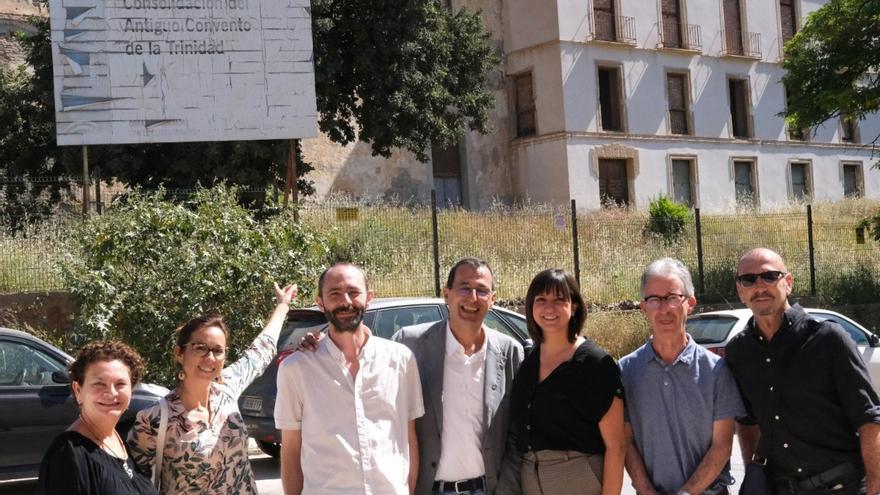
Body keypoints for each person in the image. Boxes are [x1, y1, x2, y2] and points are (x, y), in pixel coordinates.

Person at [725, 248, 880, 495]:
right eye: (749, 279)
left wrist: (875, 487)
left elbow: (869, 419)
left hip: (843, 487)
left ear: (788, 283)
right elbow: (747, 422)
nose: (759, 286)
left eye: (769, 276)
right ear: (740, 291)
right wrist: (755, 476)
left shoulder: (829, 339)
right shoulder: (738, 352)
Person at [128, 282, 297, 494]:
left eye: (218, 350)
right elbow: (133, 483)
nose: (209, 358)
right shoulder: (154, 419)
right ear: (179, 353)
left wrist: (283, 305)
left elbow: (261, 350)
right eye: (200, 348)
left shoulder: (228, 387)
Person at [274, 262, 424, 495]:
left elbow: (410, 439)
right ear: (320, 302)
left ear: (369, 297)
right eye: (335, 293)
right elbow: (291, 449)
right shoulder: (296, 369)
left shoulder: (401, 360)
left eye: (354, 292)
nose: (346, 301)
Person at [392, 257, 525, 495]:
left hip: (488, 489)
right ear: (447, 294)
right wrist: (317, 339)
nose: (472, 297)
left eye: (482, 290)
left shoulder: (509, 352)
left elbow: (518, 432)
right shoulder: (410, 344)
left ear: (493, 299)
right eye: (464, 287)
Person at [619, 258, 745, 495]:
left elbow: (722, 446)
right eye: (654, 299)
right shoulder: (625, 371)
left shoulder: (717, 370)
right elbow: (625, 441)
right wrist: (646, 491)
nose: (664, 308)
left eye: (673, 297)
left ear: (691, 303)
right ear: (643, 307)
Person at [504, 268, 625, 495]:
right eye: (541, 299)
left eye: (559, 300)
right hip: (530, 480)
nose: (549, 308)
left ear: (574, 306)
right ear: (530, 306)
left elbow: (616, 447)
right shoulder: (528, 359)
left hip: (579, 480)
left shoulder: (595, 363)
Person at [39, 340, 158, 495]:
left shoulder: (115, 439)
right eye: (99, 384)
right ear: (78, 389)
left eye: (120, 384)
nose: (111, 393)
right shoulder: (68, 455)